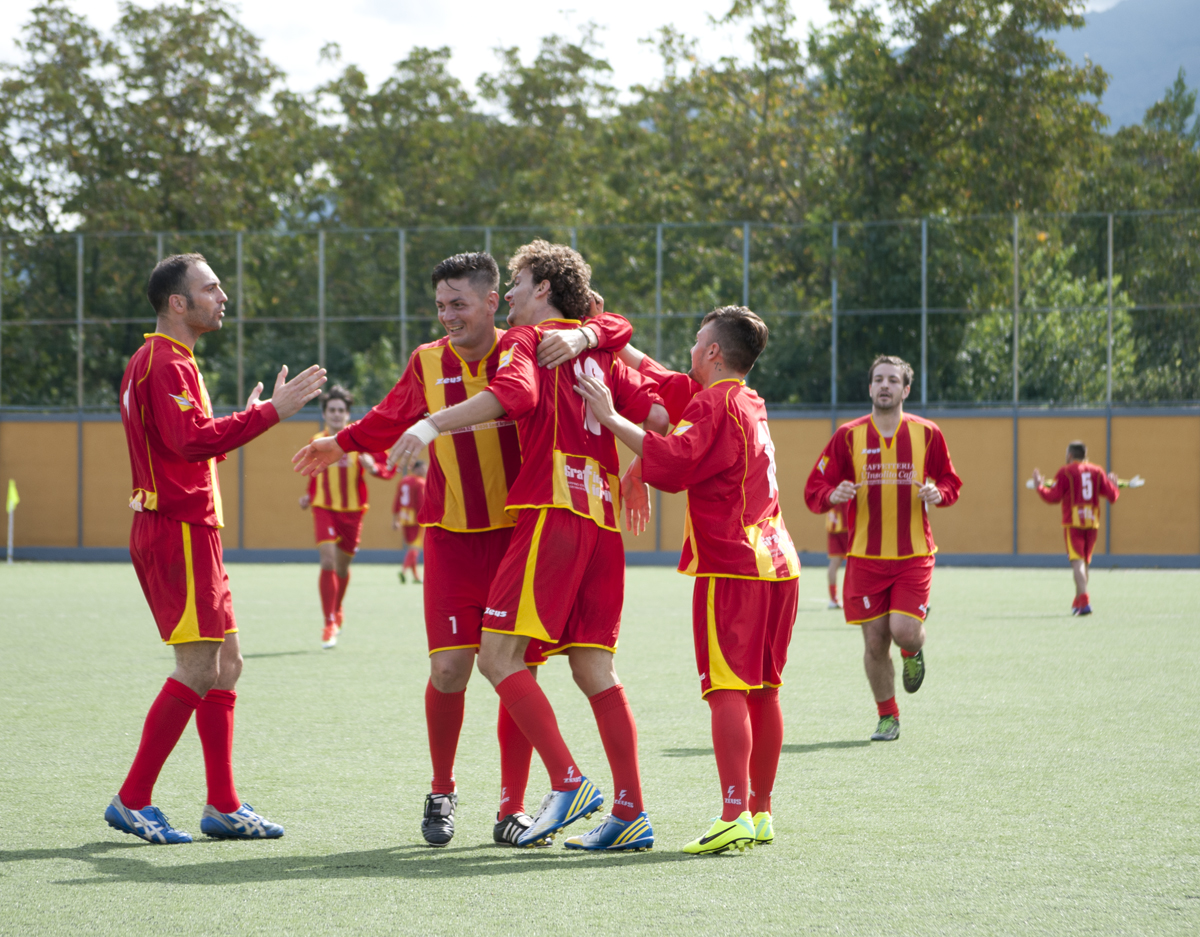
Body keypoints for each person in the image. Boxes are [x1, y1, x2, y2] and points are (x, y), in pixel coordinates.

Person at [292, 250, 635, 848]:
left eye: (459, 304)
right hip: (451, 537)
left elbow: (609, 327)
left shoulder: (523, 345)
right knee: (449, 670)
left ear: (490, 299)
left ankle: (514, 806)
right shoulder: (428, 361)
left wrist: (588, 328)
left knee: (513, 668)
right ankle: (443, 789)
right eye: (440, 305)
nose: (448, 315)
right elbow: (390, 416)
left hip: (516, 534)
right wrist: (340, 444)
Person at [384, 239, 669, 852]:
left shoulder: (525, 342)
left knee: (497, 659)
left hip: (552, 513)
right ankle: (631, 812)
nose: (508, 294)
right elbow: (665, 414)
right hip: (602, 524)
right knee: (594, 668)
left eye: (515, 283)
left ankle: (568, 783)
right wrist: (637, 468)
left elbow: (517, 396)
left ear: (541, 289)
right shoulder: (604, 356)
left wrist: (431, 422)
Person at [108, 252, 325, 844]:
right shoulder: (162, 361)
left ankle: (223, 805)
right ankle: (133, 800)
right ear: (178, 303)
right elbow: (189, 442)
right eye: (210, 288)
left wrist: (254, 414)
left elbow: (186, 443)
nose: (222, 296)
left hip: (191, 528)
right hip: (175, 528)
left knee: (227, 664)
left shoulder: (168, 360)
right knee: (200, 665)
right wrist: (271, 415)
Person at [578, 306, 800, 856]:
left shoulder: (714, 402)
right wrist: (612, 338)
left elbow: (675, 463)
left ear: (715, 353)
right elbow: (663, 379)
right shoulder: (745, 398)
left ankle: (732, 814)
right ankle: (760, 811)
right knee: (763, 691)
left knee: (725, 689)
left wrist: (609, 416)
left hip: (733, 564)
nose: (692, 348)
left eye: (698, 341)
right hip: (779, 562)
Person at [803, 355, 962, 743]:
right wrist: (831, 493)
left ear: (906, 390)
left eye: (893, 380)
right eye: (878, 380)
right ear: (870, 388)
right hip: (864, 558)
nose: (885, 386)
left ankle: (913, 651)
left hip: (913, 555)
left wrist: (937, 493)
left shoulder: (928, 434)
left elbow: (950, 481)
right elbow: (814, 487)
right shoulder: (847, 436)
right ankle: (888, 716)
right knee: (875, 642)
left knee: (904, 631)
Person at [299, 384, 394, 648]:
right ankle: (329, 622)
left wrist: (373, 467)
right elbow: (314, 471)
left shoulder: (360, 439)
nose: (337, 414)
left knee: (342, 567)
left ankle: (337, 608)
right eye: (332, 410)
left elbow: (386, 468)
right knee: (327, 561)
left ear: (347, 413)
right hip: (324, 509)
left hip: (353, 513)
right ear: (325, 413)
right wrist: (308, 495)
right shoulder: (317, 440)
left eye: (341, 410)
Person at [1032, 441, 1119, 615]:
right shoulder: (1098, 471)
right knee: (1084, 564)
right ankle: (1078, 601)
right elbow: (1112, 496)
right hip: (1092, 522)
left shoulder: (1066, 471)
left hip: (1074, 522)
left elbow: (1053, 497)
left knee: (1077, 562)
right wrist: (1114, 485)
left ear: (1070, 455)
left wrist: (1039, 487)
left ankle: (1085, 601)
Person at [393, 460, 426, 585]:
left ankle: (416, 576)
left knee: (412, 548)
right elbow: (421, 502)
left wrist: (394, 520)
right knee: (414, 548)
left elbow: (397, 501)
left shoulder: (404, 481)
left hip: (404, 518)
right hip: (416, 519)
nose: (425, 471)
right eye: (423, 468)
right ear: (417, 469)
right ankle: (403, 570)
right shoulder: (420, 482)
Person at [824, 502, 850, 609]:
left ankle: (833, 600)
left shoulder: (829, 485)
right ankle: (852, 598)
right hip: (847, 525)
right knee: (854, 563)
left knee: (834, 564)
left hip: (833, 525)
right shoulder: (847, 484)